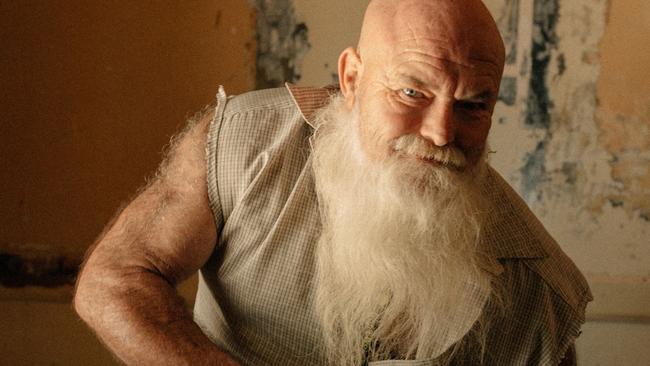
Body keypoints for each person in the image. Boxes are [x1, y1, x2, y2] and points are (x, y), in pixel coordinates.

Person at [74, 0, 592, 365]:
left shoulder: (541, 294)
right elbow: (113, 281)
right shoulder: (245, 143)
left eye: (473, 105)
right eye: (412, 92)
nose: (441, 132)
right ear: (351, 79)